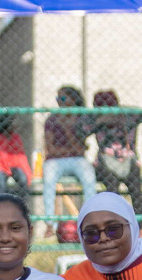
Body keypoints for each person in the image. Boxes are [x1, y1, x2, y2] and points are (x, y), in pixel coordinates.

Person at [40, 87, 98, 228]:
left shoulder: (80, 119)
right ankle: (50, 224)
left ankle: (89, 220)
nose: (60, 101)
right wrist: (72, 149)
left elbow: (79, 150)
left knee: (89, 177)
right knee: (48, 178)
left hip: (76, 159)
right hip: (55, 161)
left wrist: (67, 128)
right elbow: (51, 149)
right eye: (58, 98)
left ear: (74, 100)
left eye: (64, 98)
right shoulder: (52, 119)